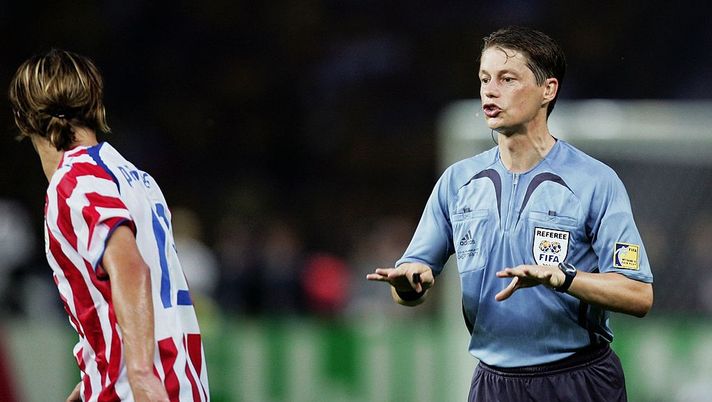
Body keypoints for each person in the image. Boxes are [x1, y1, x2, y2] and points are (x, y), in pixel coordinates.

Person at [367, 26, 653, 402]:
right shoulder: (458, 182)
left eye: (507, 78)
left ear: (547, 90)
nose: (490, 89)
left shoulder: (595, 181)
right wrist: (407, 286)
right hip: (494, 385)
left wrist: (563, 277)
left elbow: (638, 294)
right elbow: (411, 285)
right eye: (485, 78)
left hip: (579, 380)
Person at [8, 49, 209, 401]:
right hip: (182, 383)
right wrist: (92, 379)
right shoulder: (136, 178)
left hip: (142, 391)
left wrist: (141, 374)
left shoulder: (74, 181)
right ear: (93, 107)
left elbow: (130, 266)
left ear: (22, 119)